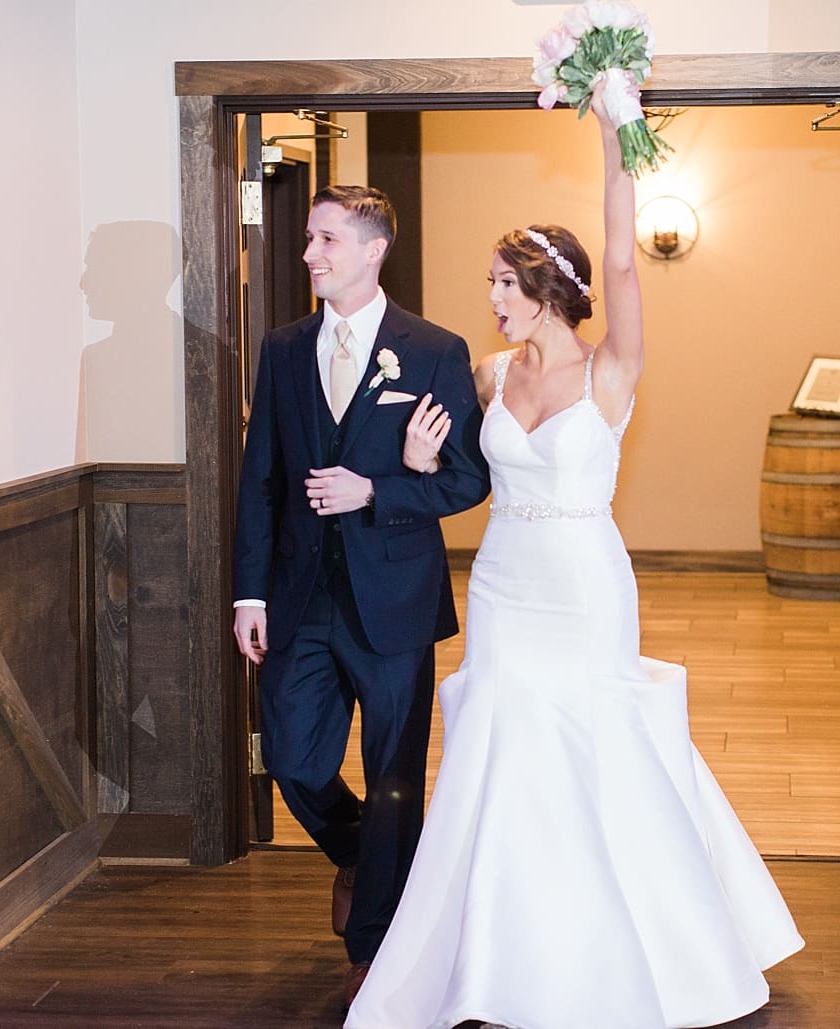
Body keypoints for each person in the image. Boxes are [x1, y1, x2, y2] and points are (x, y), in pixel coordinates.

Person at [344, 108, 803, 1028]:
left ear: (545, 286)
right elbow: (458, 475)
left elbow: (625, 262)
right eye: (488, 284)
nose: (492, 300)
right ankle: (499, 953)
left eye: (502, 283)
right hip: (507, 581)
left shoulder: (611, 373)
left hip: (586, 581)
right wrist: (425, 468)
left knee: (600, 744)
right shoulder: (482, 375)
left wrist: (613, 131)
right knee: (504, 747)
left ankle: (644, 943)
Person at [232, 185, 491, 1005]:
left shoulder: (434, 350)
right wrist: (249, 595)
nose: (310, 254)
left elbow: (467, 479)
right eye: (310, 238)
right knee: (291, 756)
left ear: (374, 248)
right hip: (300, 596)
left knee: (393, 774)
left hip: (395, 601)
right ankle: (360, 852)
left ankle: (374, 948)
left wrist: (376, 490)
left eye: (327, 239)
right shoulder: (281, 349)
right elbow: (260, 481)